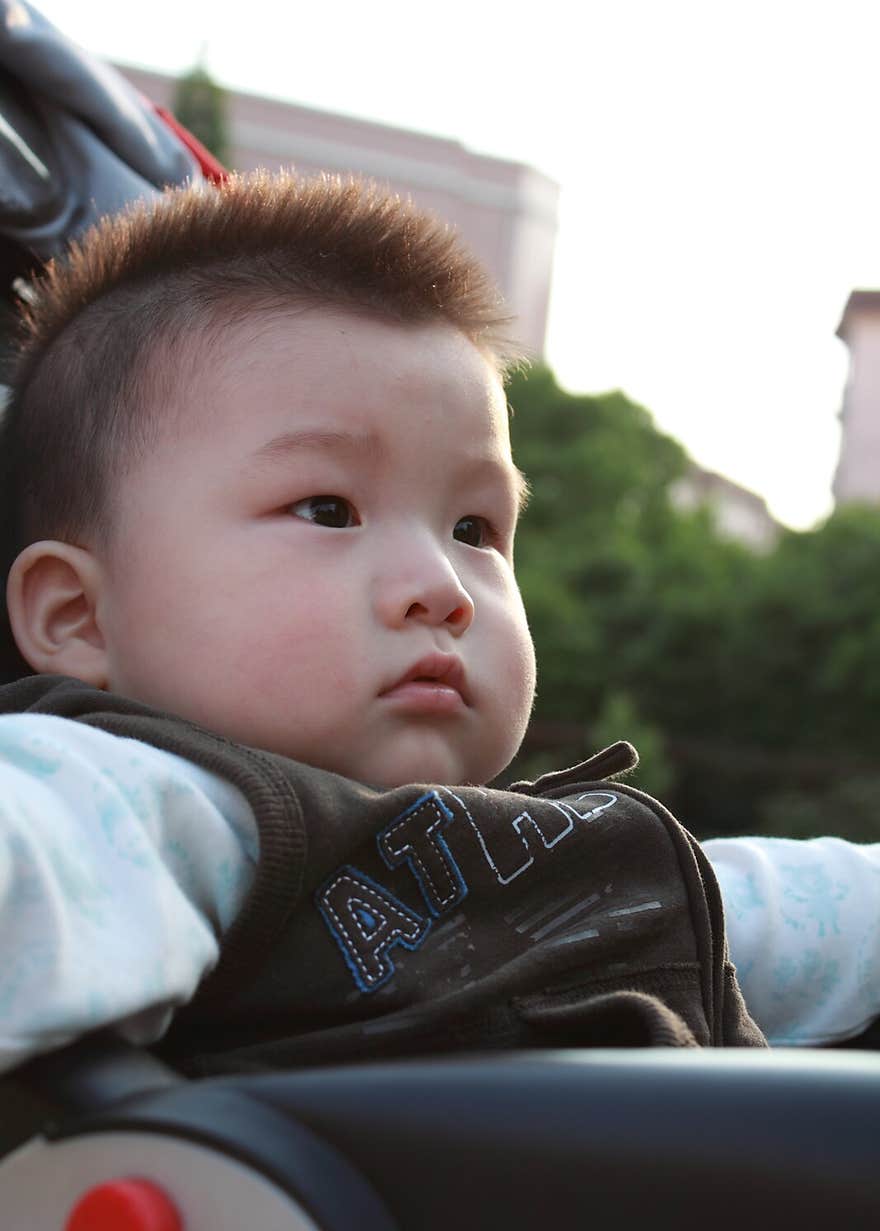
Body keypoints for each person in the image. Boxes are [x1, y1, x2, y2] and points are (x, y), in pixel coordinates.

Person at [0, 170, 775, 1073]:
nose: (440, 585)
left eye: (474, 529)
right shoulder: (139, 803)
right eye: (329, 510)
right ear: (81, 616)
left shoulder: (553, 843)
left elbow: (762, 909)